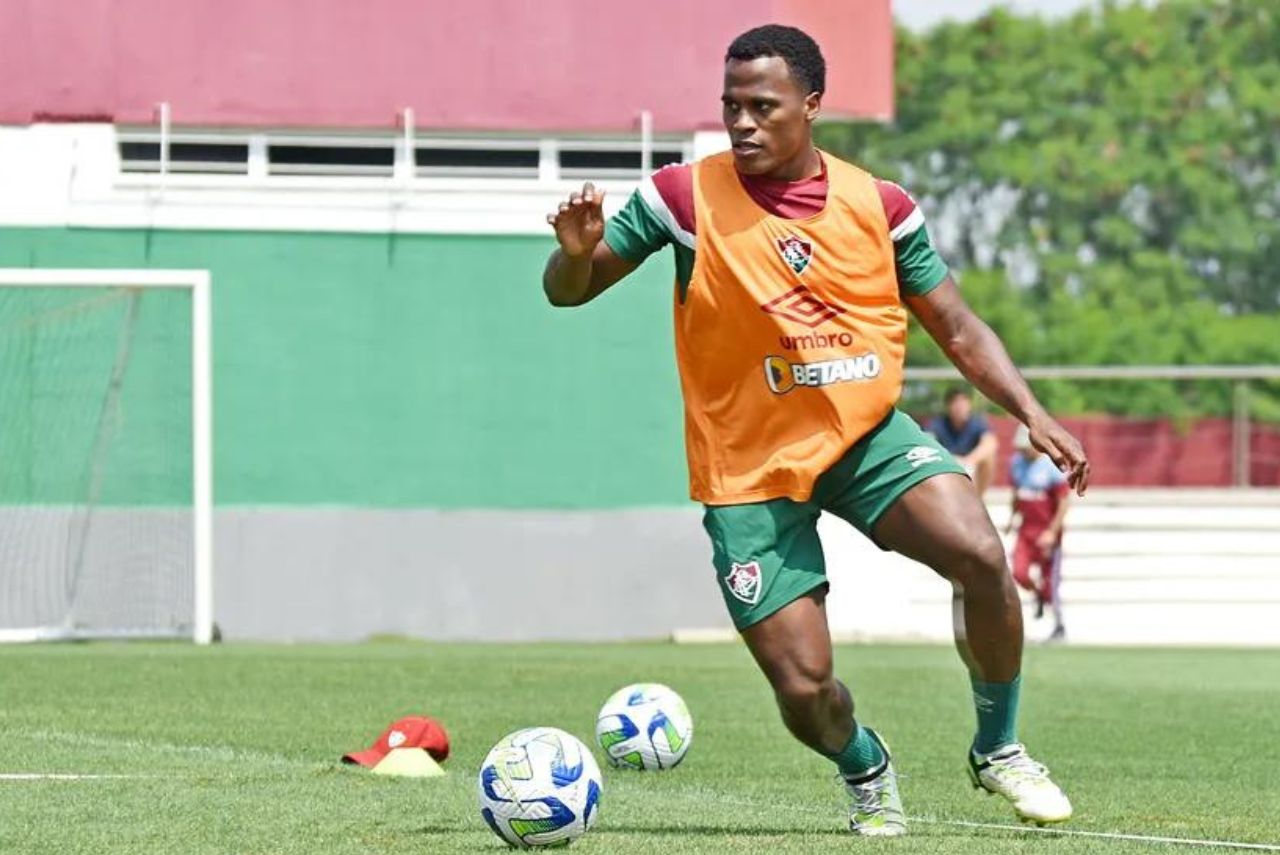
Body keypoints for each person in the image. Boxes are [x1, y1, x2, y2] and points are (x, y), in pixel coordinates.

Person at [542, 24, 1089, 836]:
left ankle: (999, 747)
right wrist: (575, 256)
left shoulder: (881, 207)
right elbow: (568, 292)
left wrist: (1033, 413)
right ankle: (864, 761)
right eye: (731, 106)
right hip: (748, 471)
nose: (742, 123)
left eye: (763, 106)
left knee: (979, 551)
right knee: (804, 691)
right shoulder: (683, 199)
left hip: (861, 438)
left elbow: (960, 327)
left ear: (812, 105)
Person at [1007, 425, 1071, 642]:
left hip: (1046, 534)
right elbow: (1017, 494)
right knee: (1019, 573)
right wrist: (1011, 519)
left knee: (1050, 583)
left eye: (1026, 448)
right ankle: (1037, 595)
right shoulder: (1016, 464)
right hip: (1026, 531)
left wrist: (1052, 532)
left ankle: (1059, 625)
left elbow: (1063, 502)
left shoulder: (1052, 467)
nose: (1023, 452)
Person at [928, 387, 998, 495]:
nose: (960, 407)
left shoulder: (977, 423)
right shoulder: (939, 424)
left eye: (963, 402)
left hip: (971, 465)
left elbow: (990, 443)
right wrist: (952, 459)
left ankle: (979, 497)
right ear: (948, 406)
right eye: (956, 402)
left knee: (989, 457)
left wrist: (969, 460)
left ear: (969, 404)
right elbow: (928, 441)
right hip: (945, 465)